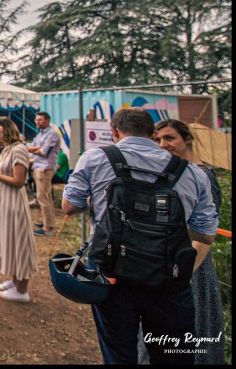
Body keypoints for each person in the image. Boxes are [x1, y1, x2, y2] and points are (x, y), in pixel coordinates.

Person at [62, 108, 218, 365]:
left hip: (111, 273)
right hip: (168, 277)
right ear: (153, 133)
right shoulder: (193, 173)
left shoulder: (94, 158)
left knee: (118, 353)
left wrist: (97, 202)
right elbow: (205, 234)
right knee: (171, 356)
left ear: (113, 131)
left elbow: (69, 206)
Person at [133, 118, 225, 365]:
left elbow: (205, 237)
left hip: (189, 267)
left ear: (187, 139)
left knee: (187, 337)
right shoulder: (169, 172)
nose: (163, 144)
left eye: (169, 138)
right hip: (161, 266)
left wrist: (183, 274)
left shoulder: (203, 176)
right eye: (157, 140)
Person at [0, 116, 36, 303]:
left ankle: (22, 290)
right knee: (10, 241)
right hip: (4, 200)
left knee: (18, 241)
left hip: (14, 202)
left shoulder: (19, 150)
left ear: (7, 129)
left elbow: (19, 182)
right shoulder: (7, 149)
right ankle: (14, 280)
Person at [26, 111, 61, 236]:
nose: (37, 122)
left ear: (47, 120)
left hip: (45, 168)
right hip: (38, 166)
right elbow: (31, 146)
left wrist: (35, 149)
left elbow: (44, 151)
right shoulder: (41, 133)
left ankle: (47, 228)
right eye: (36, 120)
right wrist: (37, 148)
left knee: (42, 197)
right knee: (46, 197)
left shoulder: (52, 134)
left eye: (40, 120)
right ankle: (48, 222)